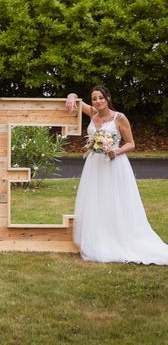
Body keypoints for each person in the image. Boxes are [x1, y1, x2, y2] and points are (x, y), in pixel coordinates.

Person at [65, 86, 168, 264]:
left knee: (114, 200)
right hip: (94, 166)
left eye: (101, 98)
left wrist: (115, 151)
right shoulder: (92, 113)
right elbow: (76, 99)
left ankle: (118, 238)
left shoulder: (119, 118)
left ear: (108, 98)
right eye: (94, 98)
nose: (97, 102)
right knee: (95, 200)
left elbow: (131, 144)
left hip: (114, 164)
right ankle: (97, 238)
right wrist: (71, 96)